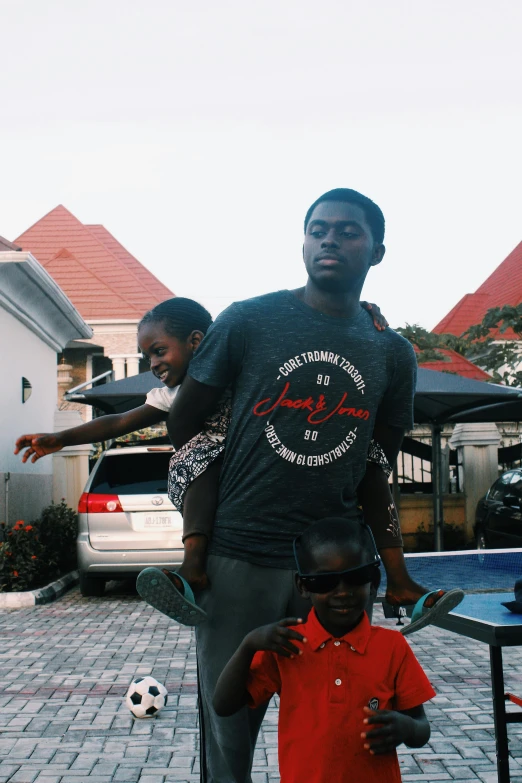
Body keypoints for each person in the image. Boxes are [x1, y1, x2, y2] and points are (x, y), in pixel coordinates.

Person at [164, 187, 462, 781]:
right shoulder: (248, 320)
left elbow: (378, 463)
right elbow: (183, 417)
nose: (331, 239)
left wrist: (391, 565)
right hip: (239, 555)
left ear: (377, 251)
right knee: (228, 733)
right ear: (303, 241)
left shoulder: (390, 351)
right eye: (318, 228)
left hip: (337, 572)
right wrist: (225, 464)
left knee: (348, 729)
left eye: (348, 231)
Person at [213, 518, 435, 783]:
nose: (342, 592)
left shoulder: (392, 647)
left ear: (373, 581)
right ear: (303, 586)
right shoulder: (288, 645)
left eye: (355, 578)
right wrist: (247, 645)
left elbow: (422, 728)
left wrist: (407, 728)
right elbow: (223, 705)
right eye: (324, 582)